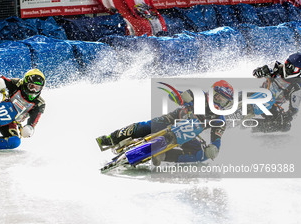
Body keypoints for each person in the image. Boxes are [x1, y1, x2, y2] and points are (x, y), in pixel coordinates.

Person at [97, 80, 234, 163]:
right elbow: (172, 94)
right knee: (146, 126)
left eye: (224, 100)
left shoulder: (220, 120)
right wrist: (181, 96)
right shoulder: (198, 95)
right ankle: (111, 138)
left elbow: (217, 141)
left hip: (188, 134)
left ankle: (164, 155)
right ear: (211, 92)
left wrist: (214, 149)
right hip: (171, 120)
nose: (219, 102)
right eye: (218, 97)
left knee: (201, 155)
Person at [252, 53, 301, 132]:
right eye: (288, 65)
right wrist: (261, 71)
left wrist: (288, 115)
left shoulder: (296, 87)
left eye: (294, 69)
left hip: (271, 106)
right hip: (258, 92)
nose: (289, 69)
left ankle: (250, 128)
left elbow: (294, 107)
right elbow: (255, 72)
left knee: (284, 125)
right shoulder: (276, 67)